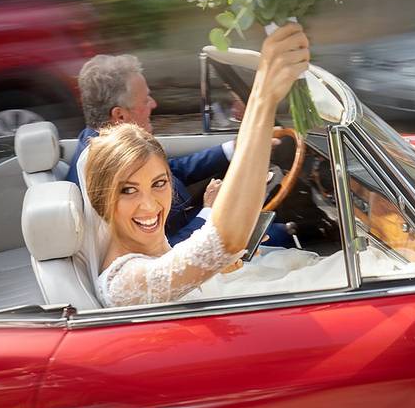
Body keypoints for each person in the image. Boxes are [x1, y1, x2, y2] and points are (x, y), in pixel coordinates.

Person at [85, 24, 330, 307]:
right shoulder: (125, 284)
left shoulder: (147, 246)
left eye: (159, 183)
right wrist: (264, 96)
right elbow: (224, 241)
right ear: (101, 197)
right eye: (128, 191)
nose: (150, 205)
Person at [66, 53, 294, 248]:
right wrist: (209, 212)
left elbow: (172, 170)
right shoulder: (111, 170)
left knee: (271, 224)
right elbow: (160, 250)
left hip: (187, 224)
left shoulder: (98, 143)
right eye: (145, 100)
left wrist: (235, 148)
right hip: (185, 244)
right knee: (282, 234)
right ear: (120, 116)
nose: (153, 104)